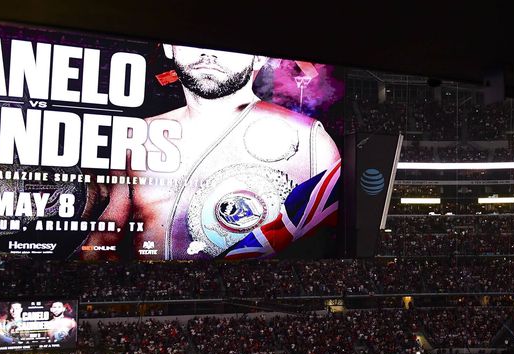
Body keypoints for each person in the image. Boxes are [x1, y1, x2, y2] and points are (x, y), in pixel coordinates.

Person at [84, 44, 340, 260]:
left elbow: (327, 246)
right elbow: (106, 238)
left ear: (259, 57)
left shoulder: (310, 141)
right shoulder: (136, 136)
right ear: (169, 48)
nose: (208, 53)